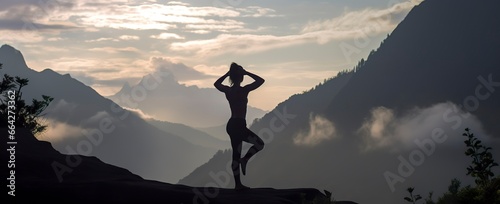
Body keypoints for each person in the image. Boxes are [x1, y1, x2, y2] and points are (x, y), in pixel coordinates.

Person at [214, 62, 265, 190]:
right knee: (259, 144)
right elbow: (260, 81)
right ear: (241, 77)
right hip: (239, 125)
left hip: (232, 124)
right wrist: (247, 72)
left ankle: (238, 184)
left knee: (236, 154)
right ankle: (245, 161)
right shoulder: (244, 90)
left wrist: (227, 74)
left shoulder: (228, 90)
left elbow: (216, 84)